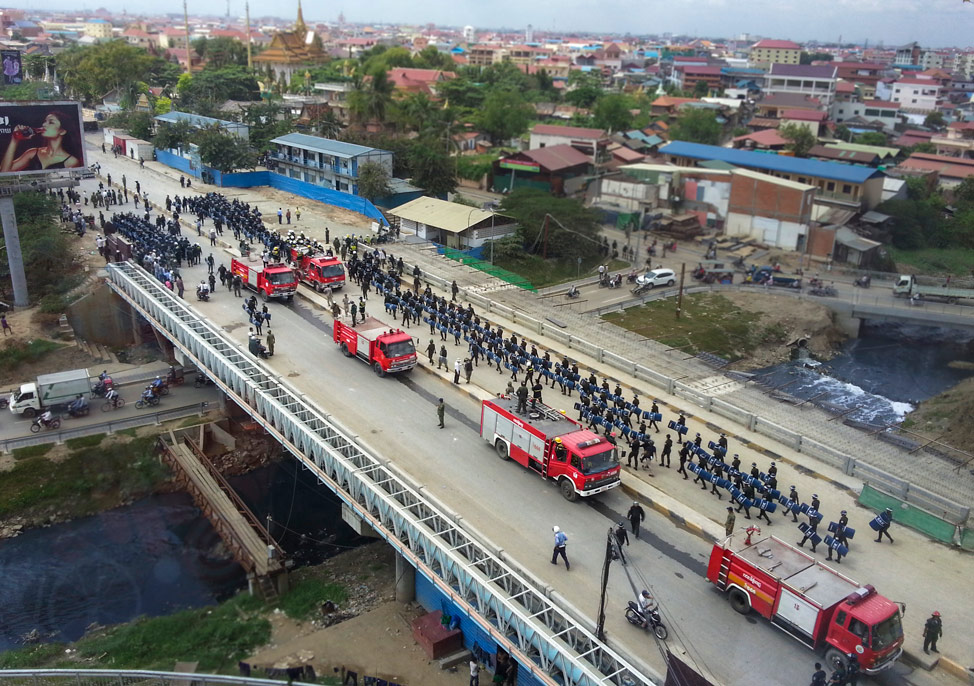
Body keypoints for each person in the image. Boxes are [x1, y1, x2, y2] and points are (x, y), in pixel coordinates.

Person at [1, 110, 83, 172]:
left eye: (51, 122)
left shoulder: (71, 161)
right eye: (45, 121)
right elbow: (4, 172)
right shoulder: (33, 152)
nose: (44, 125)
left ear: (62, 131)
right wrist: (15, 140)